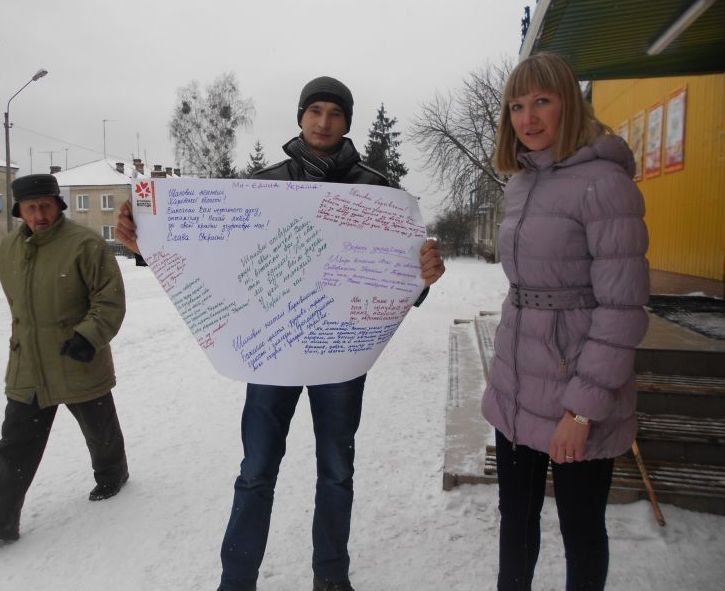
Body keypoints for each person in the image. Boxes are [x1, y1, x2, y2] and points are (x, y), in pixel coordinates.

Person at [116, 76, 445, 591]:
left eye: (335, 113)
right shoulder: (264, 185)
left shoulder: (379, 192)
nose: (324, 122)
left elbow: (398, 277)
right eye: (315, 111)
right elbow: (217, 254)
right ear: (300, 117)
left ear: (347, 122)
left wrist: (422, 277)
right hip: (271, 351)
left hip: (340, 356)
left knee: (336, 470)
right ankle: (237, 580)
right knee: (256, 470)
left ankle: (331, 575)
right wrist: (147, 241)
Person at [481, 53, 649, 591]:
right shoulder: (520, 184)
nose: (527, 118)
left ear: (569, 104)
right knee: (515, 523)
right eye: (516, 106)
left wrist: (581, 410)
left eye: (541, 102)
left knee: (580, 529)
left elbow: (622, 309)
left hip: (577, 392)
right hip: (516, 386)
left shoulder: (605, 184)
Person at [0, 174, 129, 544]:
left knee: (100, 431)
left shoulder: (85, 244)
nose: (39, 215)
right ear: (19, 210)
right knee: (14, 446)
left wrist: (88, 336)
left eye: (46, 206)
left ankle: (112, 473)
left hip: (77, 356)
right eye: (31, 208)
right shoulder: (8, 248)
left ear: (59, 205)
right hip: (28, 364)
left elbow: (110, 298)